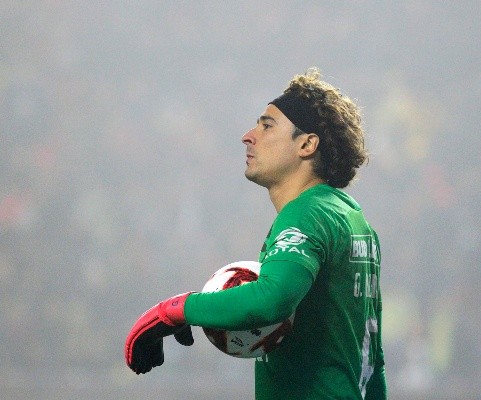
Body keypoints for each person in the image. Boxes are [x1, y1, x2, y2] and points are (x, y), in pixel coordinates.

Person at [124, 68, 387, 399]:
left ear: (306, 144)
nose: (248, 135)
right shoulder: (354, 219)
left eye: (267, 126)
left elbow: (271, 299)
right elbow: (373, 361)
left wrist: (172, 311)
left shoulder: (307, 214)